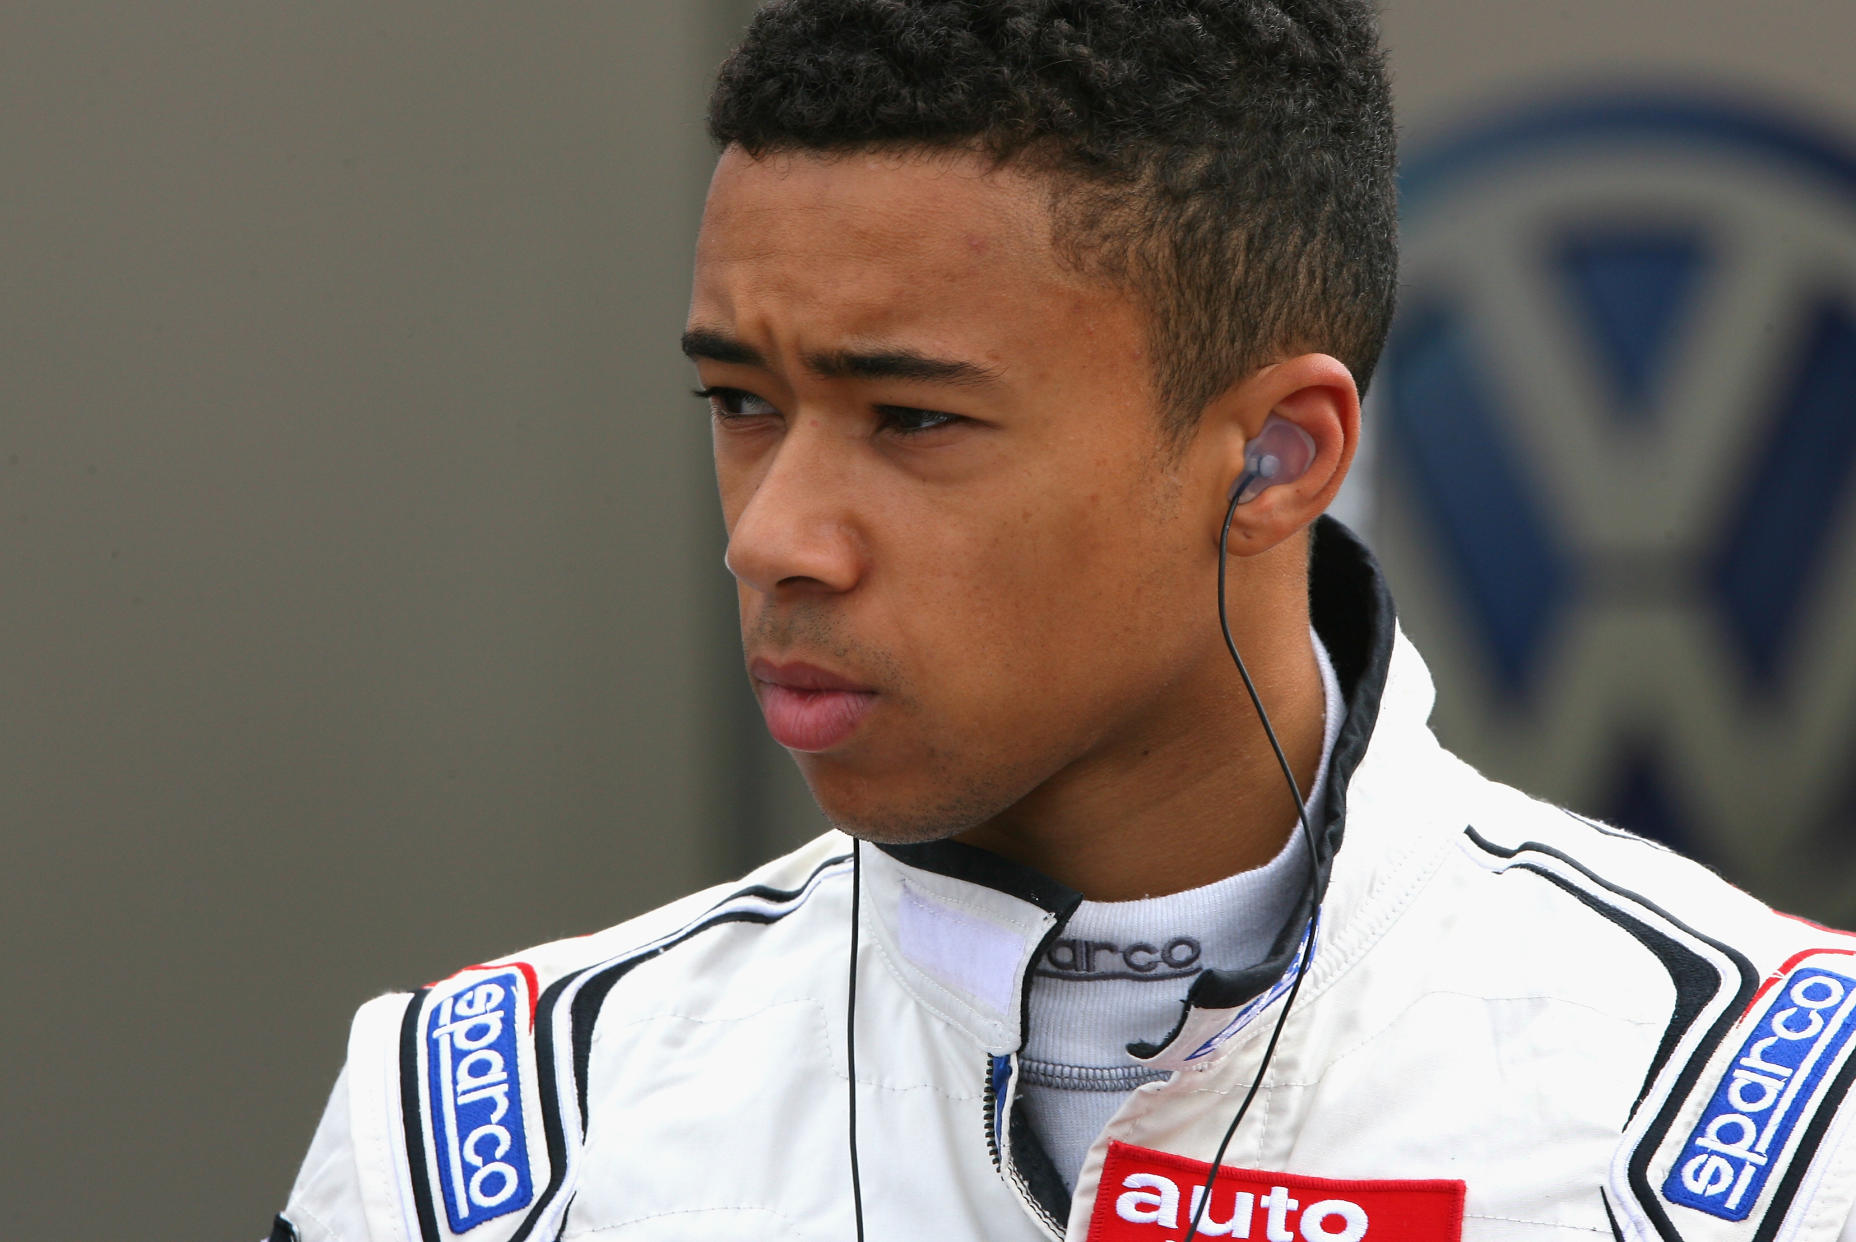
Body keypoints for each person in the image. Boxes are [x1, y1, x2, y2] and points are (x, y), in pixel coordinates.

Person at [271, 3, 1856, 1240]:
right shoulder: (492, 1138)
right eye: (741, 400)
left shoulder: (1760, 1124)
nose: (774, 537)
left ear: (1278, 456)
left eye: (911, 420)